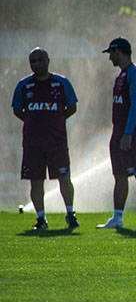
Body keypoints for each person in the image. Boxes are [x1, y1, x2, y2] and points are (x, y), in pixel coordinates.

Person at [11, 48, 78, 230]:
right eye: (33, 61)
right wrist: (34, 121)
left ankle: (70, 213)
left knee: (64, 177)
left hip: (56, 141)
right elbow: (17, 109)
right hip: (33, 142)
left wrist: (56, 120)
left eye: (40, 60)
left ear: (48, 60)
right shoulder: (24, 85)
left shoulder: (61, 83)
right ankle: (41, 218)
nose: (36, 64)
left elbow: (72, 107)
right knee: (36, 180)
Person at [97, 38, 136, 230]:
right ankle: (118, 217)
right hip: (120, 131)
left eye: (111, 53)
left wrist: (128, 133)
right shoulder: (121, 75)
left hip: (134, 132)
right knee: (120, 174)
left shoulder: (135, 73)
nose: (110, 58)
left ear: (118, 52)